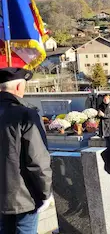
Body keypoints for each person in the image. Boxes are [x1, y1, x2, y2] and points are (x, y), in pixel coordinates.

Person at [0, 68, 53, 234]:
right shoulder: (25, 114)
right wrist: (46, 193)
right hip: (23, 196)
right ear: (18, 88)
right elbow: (37, 160)